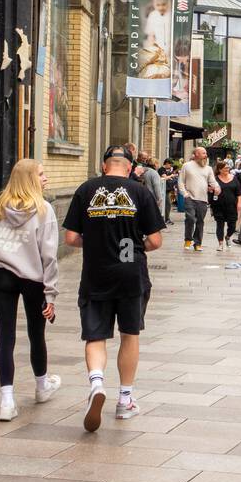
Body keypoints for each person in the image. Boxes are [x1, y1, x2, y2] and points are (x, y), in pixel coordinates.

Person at [63, 146, 165, 430]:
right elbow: (156, 241)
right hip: (131, 273)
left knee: (95, 334)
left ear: (103, 165)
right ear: (130, 167)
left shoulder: (86, 190)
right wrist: (134, 247)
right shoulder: (140, 192)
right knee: (129, 334)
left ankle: (97, 383)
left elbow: (71, 238)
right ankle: (125, 400)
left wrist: (94, 243)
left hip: (96, 273)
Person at [0, 160, 60, 421]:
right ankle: (42, 386)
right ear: (29, 179)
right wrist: (51, 293)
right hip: (32, 278)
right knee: (36, 332)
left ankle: (7, 400)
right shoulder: (44, 210)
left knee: (6, 337)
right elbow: (49, 257)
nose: (46, 178)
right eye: (41, 174)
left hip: (0, 274)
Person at [178, 147, 219, 252]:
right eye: (203, 153)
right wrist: (185, 194)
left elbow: (212, 181)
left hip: (203, 199)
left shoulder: (208, 168)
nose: (205, 155)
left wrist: (217, 187)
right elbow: (181, 181)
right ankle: (188, 239)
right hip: (190, 197)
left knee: (200, 221)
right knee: (190, 218)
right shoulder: (187, 166)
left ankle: (198, 243)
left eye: (205, 153)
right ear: (196, 154)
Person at [211, 158, 241, 251]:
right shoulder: (215, 180)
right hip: (218, 206)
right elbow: (211, 193)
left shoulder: (234, 178)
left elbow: (239, 193)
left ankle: (228, 236)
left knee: (232, 225)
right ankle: (220, 244)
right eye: (225, 168)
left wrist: (239, 203)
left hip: (232, 206)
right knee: (220, 225)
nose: (227, 170)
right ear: (220, 169)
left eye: (228, 168)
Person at [136, 152, 165, 222]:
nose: (158, 165)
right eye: (158, 163)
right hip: (153, 199)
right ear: (155, 164)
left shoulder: (142, 171)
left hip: (142, 198)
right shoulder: (154, 173)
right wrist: (159, 199)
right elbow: (156, 186)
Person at [159, 159, 178, 225]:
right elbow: (164, 178)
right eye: (170, 165)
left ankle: (166, 218)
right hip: (163, 190)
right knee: (168, 204)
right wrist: (171, 176)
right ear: (166, 163)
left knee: (168, 204)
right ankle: (166, 219)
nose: (170, 166)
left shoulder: (167, 170)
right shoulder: (161, 169)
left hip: (167, 190)